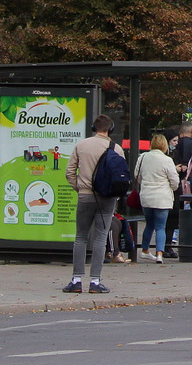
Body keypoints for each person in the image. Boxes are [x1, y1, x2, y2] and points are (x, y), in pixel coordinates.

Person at [63, 114, 123, 294]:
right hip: (107, 198)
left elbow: (69, 172)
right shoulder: (116, 148)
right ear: (110, 129)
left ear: (93, 128)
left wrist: (79, 188)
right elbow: (121, 176)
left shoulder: (82, 145)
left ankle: (76, 280)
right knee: (100, 237)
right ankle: (95, 282)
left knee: (81, 237)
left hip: (85, 196)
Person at [134, 133, 180, 263]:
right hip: (162, 198)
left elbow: (137, 175)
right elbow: (174, 180)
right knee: (161, 226)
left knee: (149, 224)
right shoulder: (167, 160)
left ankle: (144, 250)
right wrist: (172, 188)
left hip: (146, 196)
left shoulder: (142, 157)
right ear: (164, 145)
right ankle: (159, 253)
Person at [162, 122, 192, 258]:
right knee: (167, 220)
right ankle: (164, 247)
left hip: (173, 190)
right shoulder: (166, 157)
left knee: (171, 220)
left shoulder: (174, 153)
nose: (176, 143)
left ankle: (167, 246)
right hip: (169, 190)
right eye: (174, 141)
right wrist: (176, 170)